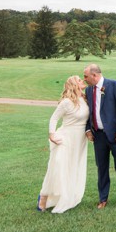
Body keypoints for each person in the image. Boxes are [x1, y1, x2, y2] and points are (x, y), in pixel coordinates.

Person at [37, 76, 89, 213]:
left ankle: (68, 196)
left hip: (80, 140)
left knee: (73, 167)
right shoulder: (66, 102)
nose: (82, 81)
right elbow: (54, 118)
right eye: (79, 80)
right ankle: (43, 197)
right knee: (58, 167)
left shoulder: (84, 99)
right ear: (73, 84)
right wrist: (51, 134)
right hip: (65, 139)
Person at [83, 63, 116, 208]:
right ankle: (103, 199)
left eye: (86, 76)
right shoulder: (88, 90)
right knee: (101, 167)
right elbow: (86, 112)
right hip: (99, 136)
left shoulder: (114, 85)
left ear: (95, 75)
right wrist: (88, 130)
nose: (84, 79)